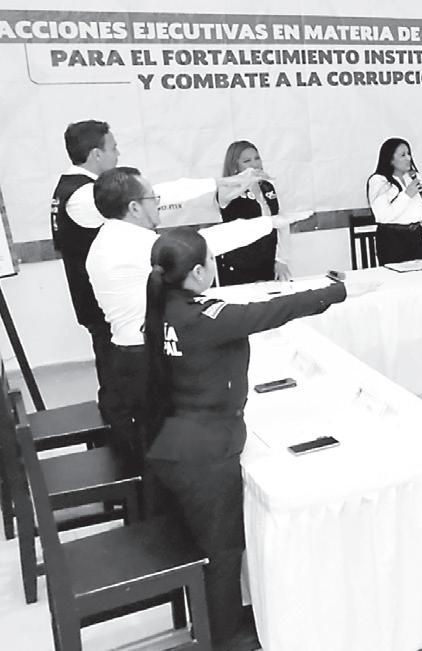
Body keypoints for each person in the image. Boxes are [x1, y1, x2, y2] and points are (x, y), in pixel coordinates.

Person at [143, 227, 367, 649]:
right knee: (222, 550)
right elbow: (273, 311)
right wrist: (337, 292)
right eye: (211, 260)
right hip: (205, 453)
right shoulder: (204, 318)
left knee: (205, 542)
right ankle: (226, 637)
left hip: (172, 440)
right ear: (197, 273)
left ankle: (213, 619)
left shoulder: (163, 308)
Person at [87, 167, 292, 469]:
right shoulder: (134, 245)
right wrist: (269, 223)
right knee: (163, 449)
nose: (158, 203)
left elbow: (181, 200)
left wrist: (222, 186)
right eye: (153, 198)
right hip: (143, 360)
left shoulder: (108, 238)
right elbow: (201, 244)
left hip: (126, 356)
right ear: (134, 208)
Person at [50, 120, 119, 420]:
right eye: (113, 148)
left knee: (112, 368)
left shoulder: (69, 188)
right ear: (96, 154)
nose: (118, 154)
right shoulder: (84, 194)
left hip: (95, 296)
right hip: (101, 299)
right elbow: (133, 202)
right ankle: (120, 433)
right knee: (116, 373)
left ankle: (118, 426)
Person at [216, 141, 292, 285]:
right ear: (235, 165)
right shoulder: (225, 189)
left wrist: (281, 259)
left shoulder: (267, 187)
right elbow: (225, 197)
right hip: (238, 267)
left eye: (257, 158)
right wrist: (246, 179)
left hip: (267, 263)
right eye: (247, 161)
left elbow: (281, 223)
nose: (255, 164)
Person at [367, 138, 422, 264]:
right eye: (403, 155)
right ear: (390, 159)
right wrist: (407, 195)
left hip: (416, 236)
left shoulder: (414, 177)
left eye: (409, 154)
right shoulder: (378, 181)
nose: (408, 158)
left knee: (419, 274)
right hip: (392, 240)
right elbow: (383, 216)